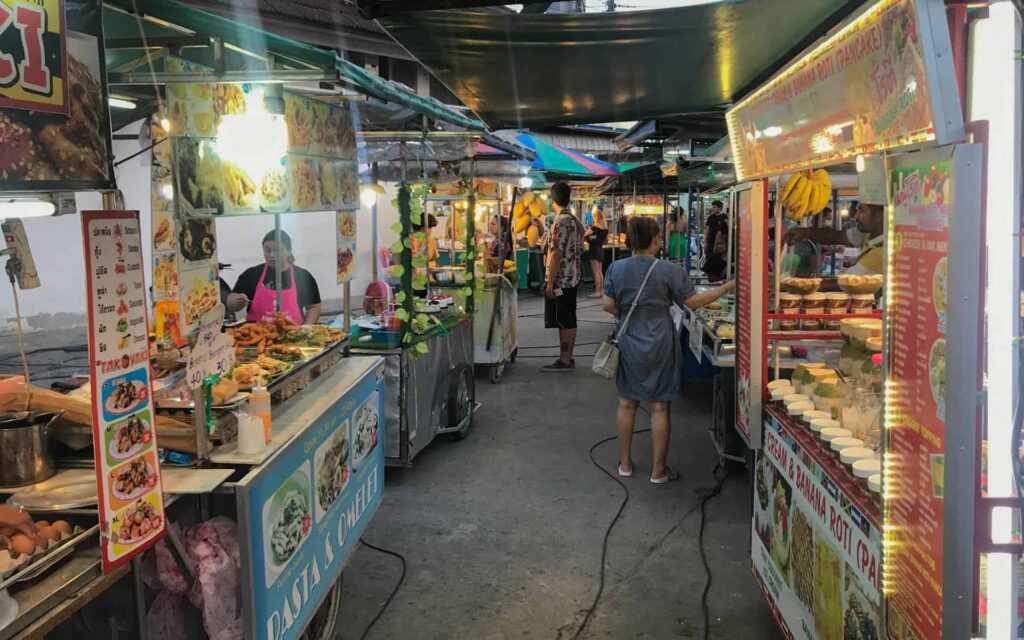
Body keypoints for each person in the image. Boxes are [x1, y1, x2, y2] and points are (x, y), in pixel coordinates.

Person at [602, 216, 734, 482]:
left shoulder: (616, 268)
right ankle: (658, 470)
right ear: (655, 239)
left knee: (626, 403)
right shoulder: (668, 270)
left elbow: (607, 305)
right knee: (659, 407)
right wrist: (727, 287)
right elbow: (694, 302)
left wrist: (628, 314)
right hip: (660, 339)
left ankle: (625, 463)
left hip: (628, 338)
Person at [227, 230, 322, 325]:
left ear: (289, 251)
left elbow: (314, 306)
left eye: (277, 250)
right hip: (256, 335)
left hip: (294, 335)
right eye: (267, 250)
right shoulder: (251, 274)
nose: (271, 255)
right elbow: (231, 302)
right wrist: (237, 301)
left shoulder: (303, 276)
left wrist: (306, 328)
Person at [542, 181, 585, 373]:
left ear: (553, 200)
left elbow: (557, 253)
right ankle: (568, 357)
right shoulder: (574, 221)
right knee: (570, 317)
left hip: (562, 279)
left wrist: (550, 283)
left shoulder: (560, 222)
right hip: (573, 277)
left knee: (564, 319)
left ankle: (565, 360)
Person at [783, 200, 884, 275]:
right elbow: (838, 236)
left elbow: (846, 282)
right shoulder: (868, 235)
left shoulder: (881, 252)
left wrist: (796, 286)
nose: (856, 216)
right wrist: (805, 232)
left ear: (878, 216)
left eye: (861, 211)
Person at [584, 206, 609, 298]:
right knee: (600, 272)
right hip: (600, 250)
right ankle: (601, 291)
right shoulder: (605, 228)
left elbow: (585, 234)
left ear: (595, 217)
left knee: (595, 272)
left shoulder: (595, 228)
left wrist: (587, 232)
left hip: (594, 250)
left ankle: (597, 291)